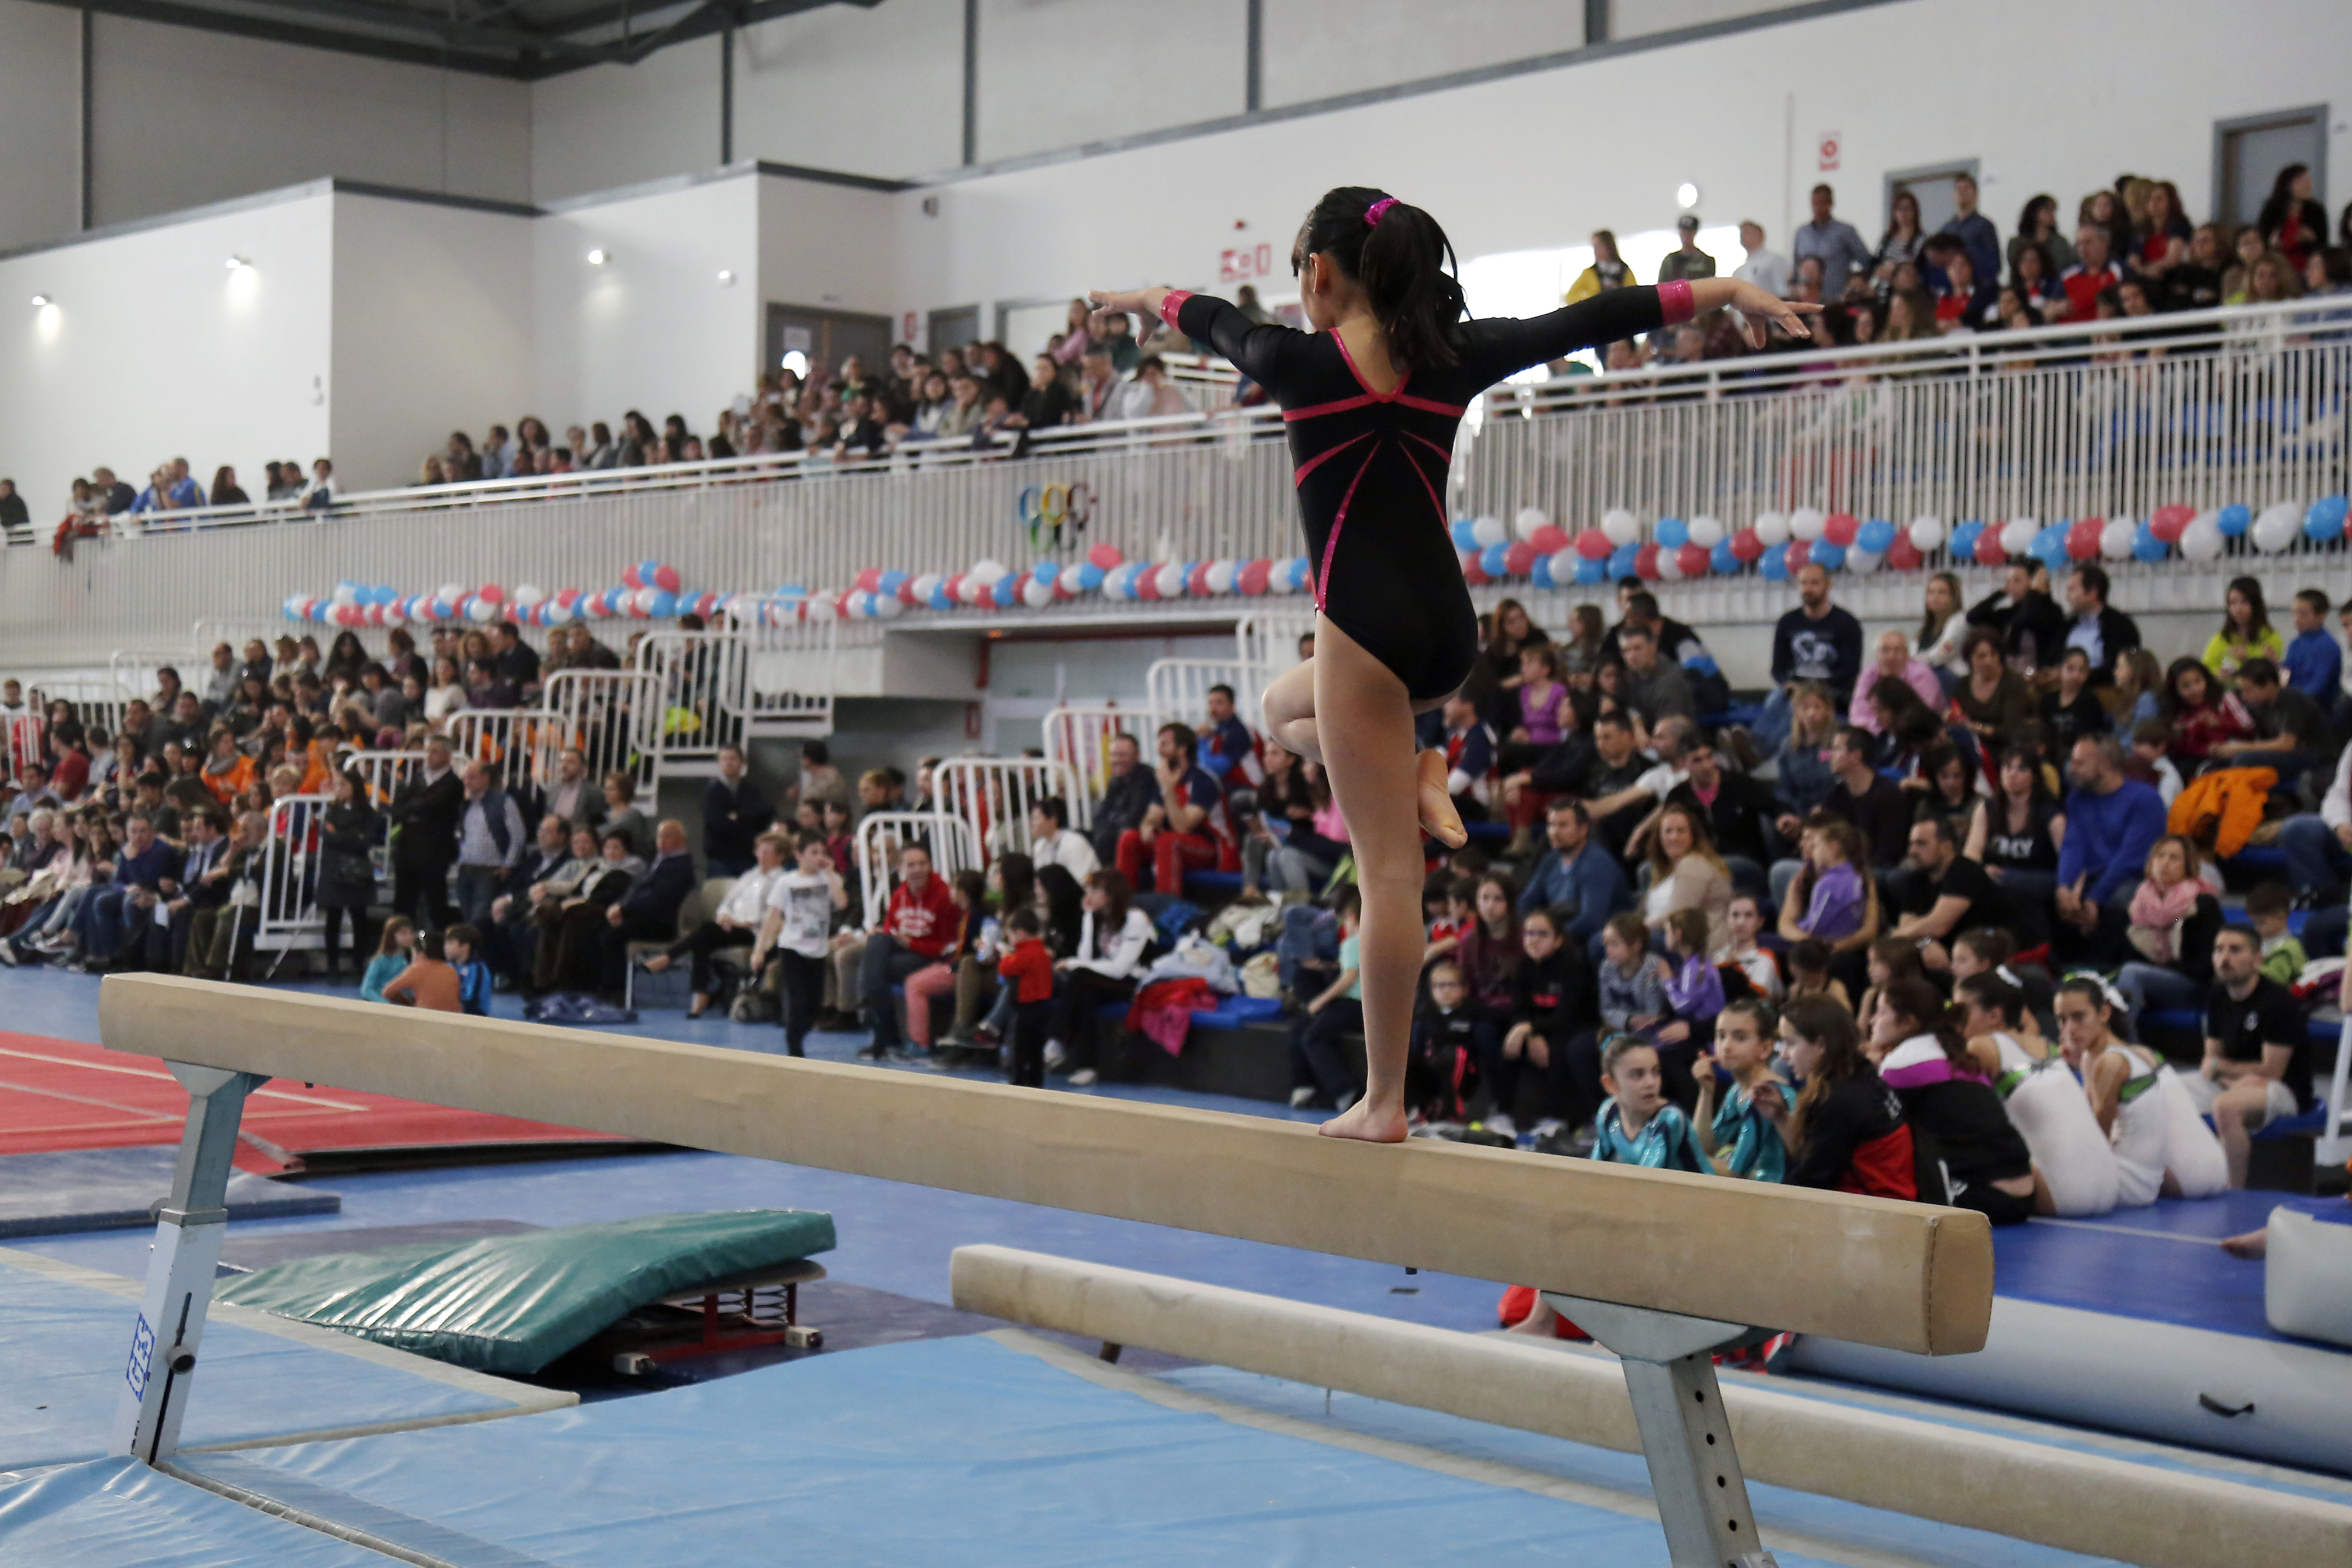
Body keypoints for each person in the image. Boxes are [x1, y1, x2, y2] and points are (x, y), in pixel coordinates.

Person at [1088, 188, 1817, 1143]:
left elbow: (1202, 315)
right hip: (1444, 640)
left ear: (1317, 274)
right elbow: (1591, 317)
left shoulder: (1294, 362)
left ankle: (1385, 1100)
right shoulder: (1451, 354)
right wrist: (1722, 289)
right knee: (1275, 710)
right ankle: (1423, 771)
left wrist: (1143, 296)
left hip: (1359, 637)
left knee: (1386, 878)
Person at [2055, 975, 2228, 1205]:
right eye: (2062, 1020)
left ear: (2104, 1013)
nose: (2069, 1029)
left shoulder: (2111, 1062)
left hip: (2188, 1174)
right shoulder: (2131, 1053)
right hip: (2215, 1167)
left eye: (2079, 1017)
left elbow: (2097, 1139)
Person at [1871, 977, 2031, 1222]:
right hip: (2025, 1196)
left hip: (1983, 1199)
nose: (1873, 1020)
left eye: (1881, 1012)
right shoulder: (1954, 1051)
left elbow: (1872, 1128)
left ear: (1908, 1023)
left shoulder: (1902, 1063)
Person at [1958, 971, 2117, 1217]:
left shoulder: (1982, 1046)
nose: (1953, 1019)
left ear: (1994, 1016)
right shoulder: (2045, 1044)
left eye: (1961, 1010)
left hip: (2065, 1195)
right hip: (2111, 1187)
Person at [2180, 925, 2315, 1189]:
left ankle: (2235, 1189)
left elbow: (2272, 1071)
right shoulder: (2218, 996)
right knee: (2162, 1090)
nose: (2224, 958)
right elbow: (2210, 1063)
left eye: (2235, 950)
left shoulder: (2278, 1002)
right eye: (2219, 950)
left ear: (2258, 960)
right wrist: (2227, 1075)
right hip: (2233, 1082)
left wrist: (2225, 1071)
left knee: (2226, 1107)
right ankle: (2178, 1174)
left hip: (2283, 1090)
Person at [644, 828, 787, 1017]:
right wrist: (725, 917)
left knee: (706, 932)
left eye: (767, 852)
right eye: (760, 851)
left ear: (780, 856)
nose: (762, 856)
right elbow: (728, 902)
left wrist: (741, 923)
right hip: (732, 927)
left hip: (756, 933)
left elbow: (774, 916)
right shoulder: (750, 876)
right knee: (703, 941)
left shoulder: (782, 880)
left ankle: (670, 960)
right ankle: (700, 992)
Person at [1480, 905, 1594, 1139]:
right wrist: (1529, 1033)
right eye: (1530, 933)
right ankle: (1504, 1112)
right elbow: (1519, 1009)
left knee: (1562, 1050)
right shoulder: (1525, 966)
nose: (1534, 940)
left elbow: (1567, 1016)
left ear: (1558, 940)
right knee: (1504, 1043)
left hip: (1574, 1028)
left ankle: (1565, 1120)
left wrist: (1529, 1029)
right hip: (1539, 1027)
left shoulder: (1574, 967)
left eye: (1542, 934)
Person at [2052, 736, 2167, 962]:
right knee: (2039, 895)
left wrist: (2095, 898)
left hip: (2131, 880)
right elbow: (2072, 846)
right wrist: (2064, 886)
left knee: (2121, 902)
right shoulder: (2077, 798)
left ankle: (2104, 971)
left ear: (2104, 764)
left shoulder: (2146, 800)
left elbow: (2131, 860)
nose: (2071, 769)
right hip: (2092, 878)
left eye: (2080, 763)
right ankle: (2055, 968)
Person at [1047, 867, 1154, 1086]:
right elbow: (1085, 956)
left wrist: (1075, 964)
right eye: (1088, 890)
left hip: (1134, 981)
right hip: (1101, 980)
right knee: (1085, 992)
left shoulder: (1136, 919)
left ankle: (1058, 1040)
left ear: (1112, 894)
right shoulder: (1097, 918)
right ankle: (1086, 1067)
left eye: (1095, 890)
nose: (1089, 896)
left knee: (1079, 978)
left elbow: (1121, 969)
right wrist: (1088, 918)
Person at [853, 842, 959, 1060]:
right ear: (902, 869)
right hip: (902, 953)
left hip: (930, 957)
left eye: (922, 864)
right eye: (911, 865)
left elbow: (947, 947)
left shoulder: (945, 896)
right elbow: (890, 928)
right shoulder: (899, 895)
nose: (918, 870)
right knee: (878, 942)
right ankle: (882, 1031)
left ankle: (882, 1034)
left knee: (875, 972)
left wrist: (912, 944)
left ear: (930, 866)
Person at [749, 829, 848, 1056]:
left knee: (815, 1007)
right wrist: (760, 950)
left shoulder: (829, 880)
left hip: (819, 950)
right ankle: (795, 1051)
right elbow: (773, 919)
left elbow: (841, 903)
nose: (819, 857)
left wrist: (832, 874)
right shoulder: (787, 883)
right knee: (798, 1004)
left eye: (822, 852)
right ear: (799, 855)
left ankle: (800, 1035)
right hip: (792, 949)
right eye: (813, 852)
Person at [2111, 832, 2223, 1025]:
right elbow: (2129, 953)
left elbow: (2206, 965)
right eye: (2160, 856)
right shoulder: (2141, 904)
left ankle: (2122, 1042)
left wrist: (2159, 972)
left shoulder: (2202, 905)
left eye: (2174, 858)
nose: (2165, 863)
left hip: (2193, 985)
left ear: (2187, 866)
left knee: (2132, 973)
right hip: (2148, 980)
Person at [1754, 563, 1863, 751]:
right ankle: (1753, 744)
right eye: (1804, 583)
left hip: (1832, 688)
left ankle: (1760, 751)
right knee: (1775, 699)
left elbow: (1850, 670)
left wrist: (1811, 689)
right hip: (1796, 686)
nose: (1809, 588)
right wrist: (1787, 683)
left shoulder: (1846, 623)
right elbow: (1778, 667)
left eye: (1815, 583)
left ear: (1828, 586)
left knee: (1801, 703)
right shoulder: (1788, 622)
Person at [1114, 722, 1230, 896]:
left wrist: (1168, 791)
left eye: (1165, 745)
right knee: (1129, 838)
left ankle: (1166, 907)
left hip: (1211, 848)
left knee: (1169, 841)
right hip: (1176, 844)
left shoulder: (1203, 781)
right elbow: (1152, 814)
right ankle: (1122, 905)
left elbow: (1183, 827)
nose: (1159, 750)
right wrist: (1148, 825)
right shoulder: (1166, 778)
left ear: (1182, 749)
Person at [597, 818, 695, 1001]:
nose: (662, 840)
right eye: (660, 836)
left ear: (682, 839)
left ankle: (617, 991)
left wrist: (625, 912)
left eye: (668, 836)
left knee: (612, 937)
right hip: (641, 917)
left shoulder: (681, 867)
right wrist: (618, 906)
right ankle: (596, 985)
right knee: (595, 926)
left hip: (661, 924)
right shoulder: (656, 860)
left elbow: (658, 900)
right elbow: (635, 889)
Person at [1889, 816, 2000, 975]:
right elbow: (1908, 923)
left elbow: (1939, 925)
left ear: (1947, 847)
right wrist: (1925, 943)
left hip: (1984, 954)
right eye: (1912, 844)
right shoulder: (1915, 877)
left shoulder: (1965, 871)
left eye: (1922, 844)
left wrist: (1894, 937)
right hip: (1940, 952)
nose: (1912, 851)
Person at [1515, 797, 1628, 952]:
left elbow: (1591, 920)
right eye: (1551, 825)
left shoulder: (1597, 863)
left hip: (1590, 940)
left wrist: (1550, 936)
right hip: (1557, 933)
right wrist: (1533, 930)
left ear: (1583, 830)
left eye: (1563, 825)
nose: (1555, 832)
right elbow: (1526, 902)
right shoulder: (1551, 860)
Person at [1694, 998, 1788, 1181]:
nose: (1727, 1046)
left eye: (1740, 1038)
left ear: (1766, 1048)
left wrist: (1681, 1156)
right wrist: (1706, 1092)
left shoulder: (1767, 1094)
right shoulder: (1738, 1090)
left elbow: (1736, 1171)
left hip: (1779, 1193)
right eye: (1721, 1036)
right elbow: (1707, 1147)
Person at [1291, 886, 1367, 1113]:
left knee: (1313, 1037)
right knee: (1301, 1028)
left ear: (1351, 918)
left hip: (1356, 1006)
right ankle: (1304, 1085)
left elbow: (1349, 979)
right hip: (1361, 1006)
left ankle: (1345, 1090)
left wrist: (1320, 1001)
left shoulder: (1353, 942)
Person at [1590, 1035, 1705, 1170]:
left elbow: (1646, 1180)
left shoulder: (1670, 1119)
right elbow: (1594, 1169)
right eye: (1637, 1075)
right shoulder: (1608, 1113)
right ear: (1610, 1084)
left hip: (1699, 1190)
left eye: (1656, 1072)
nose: (1651, 1083)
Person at [387, 736, 463, 931]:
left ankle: (437, 947)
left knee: (435, 904)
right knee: (403, 904)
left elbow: (432, 805)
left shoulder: (453, 783)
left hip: (434, 852)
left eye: (435, 751)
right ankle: (403, 949)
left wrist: (413, 808)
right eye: (428, 750)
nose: (430, 755)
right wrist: (414, 809)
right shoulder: (417, 779)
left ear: (448, 755)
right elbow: (398, 808)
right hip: (407, 850)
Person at [452, 761, 525, 928]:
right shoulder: (465, 805)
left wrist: (509, 864)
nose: (467, 782)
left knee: (479, 919)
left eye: (472, 778)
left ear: (486, 778)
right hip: (466, 867)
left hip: (489, 869)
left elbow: (518, 835)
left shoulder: (503, 801)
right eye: (466, 778)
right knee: (467, 915)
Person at [996, 906, 1057, 1089]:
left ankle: (1019, 1079)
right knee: (1036, 1048)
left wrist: (1006, 955)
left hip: (1026, 1007)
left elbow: (1005, 969)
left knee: (1020, 1046)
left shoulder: (1025, 954)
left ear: (1020, 934)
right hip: (1042, 1007)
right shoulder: (1042, 952)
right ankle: (1036, 1080)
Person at [1087, 732, 1160, 868]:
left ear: (1137, 757)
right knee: (1080, 836)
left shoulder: (1146, 778)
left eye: (1123, 755)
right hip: (1113, 833)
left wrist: (1107, 829)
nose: (1117, 760)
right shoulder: (1115, 781)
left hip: (1137, 836)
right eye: (1114, 755)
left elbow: (1135, 818)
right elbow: (1102, 814)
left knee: (1106, 839)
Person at [2061, 564, 2140, 688]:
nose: (2067, 597)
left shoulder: (2120, 626)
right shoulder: (2067, 626)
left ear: (2093, 592)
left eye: (2073, 590)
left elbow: (2118, 668)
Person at [1792, 183, 1875, 301]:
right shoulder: (1802, 233)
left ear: (1831, 204)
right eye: (1815, 204)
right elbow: (1796, 266)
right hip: (1808, 300)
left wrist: (1857, 279)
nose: (1818, 208)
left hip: (1836, 300)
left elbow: (1867, 262)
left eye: (1823, 203)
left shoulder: (1846, 231)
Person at [701, 745, 772, 878]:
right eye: (724, 759)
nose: (729, 763)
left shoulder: (751, 790)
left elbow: (763, 815)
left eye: (733, 759)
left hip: (747, 857)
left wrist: (737, 817)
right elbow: (716, 822)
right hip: (720, 858)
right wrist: (743, 821)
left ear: (742, 763)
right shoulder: (712, 791)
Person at [2203, 576, 2284, 690]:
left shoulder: (2271, 638)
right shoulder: (2221, 639)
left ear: (2255, 604)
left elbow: (2272, 677)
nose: (2238, 609)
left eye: (2244, 602)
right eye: (2233, 603)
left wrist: (2246, 662)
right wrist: (2218, 675)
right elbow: (2206, 669)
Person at [2281, 589, 2340, 715]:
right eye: (2294, 613)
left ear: (2321, 616)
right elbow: (2287, 674)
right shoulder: (2295, 644)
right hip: (2294, 704)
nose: (2296, 619)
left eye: (2303, 614)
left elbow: (2318, 686)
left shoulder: (2328, 646)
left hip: (2316, 711)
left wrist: (2289, 700)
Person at [2039, 647, 2110, 750]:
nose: (2076, 676)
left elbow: (2088, 737)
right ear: (2060, 670)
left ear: (2087, 674)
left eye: (2082, 670)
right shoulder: (2048, 700)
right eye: (2071, 669)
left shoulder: (2090, 701)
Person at [382, 928, 463, 1011]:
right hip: (453, 1020)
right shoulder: (451, 971)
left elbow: (388, 992)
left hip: (426, 1018)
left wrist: (408, 1001)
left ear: (420, 954)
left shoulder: (417, 969)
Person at [1026, 796, 1098, 879]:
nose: (1032, 824)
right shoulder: (1039, 846)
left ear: (1053, 820)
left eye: (1036, 818)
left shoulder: (1074, 843)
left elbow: (1081, 881)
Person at [361, 916, 417, 1003]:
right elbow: (366, 990)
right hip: (383, 1005)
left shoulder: (412, 959)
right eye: (403, 933)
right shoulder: (380, 960)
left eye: (411, 933)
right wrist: (385, 1004)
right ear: (391, 936)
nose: (409, 936)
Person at [1732, 220, 1790, 298]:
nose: (1744, 236)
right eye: (1742, 233)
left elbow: (1782, 290)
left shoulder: (1775, 260)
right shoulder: (1740, 271)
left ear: (1760, 235)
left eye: (1748, 232)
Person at [443, 925, 493, 1015]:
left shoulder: (477, 969)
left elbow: (471, 1001)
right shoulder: (450, 966)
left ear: (465, 947)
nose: (445, 947)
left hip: (475, 1015)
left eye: (450, 943)